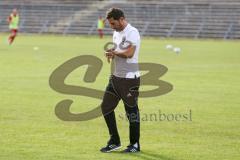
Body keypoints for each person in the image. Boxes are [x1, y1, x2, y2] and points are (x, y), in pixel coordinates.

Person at [100, 8, 141, 153]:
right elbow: (119, 51)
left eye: (113, 23)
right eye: (110, 24)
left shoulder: (132, 32)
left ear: (121, 19)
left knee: (131, 112)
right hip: (116, 77)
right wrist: (113, 53)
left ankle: (134, 144)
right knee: (105, 107)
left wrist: (114, 52)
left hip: (129, 80)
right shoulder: (116, 32)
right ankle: (114, 141)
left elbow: (129, 53)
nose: (112, 26)